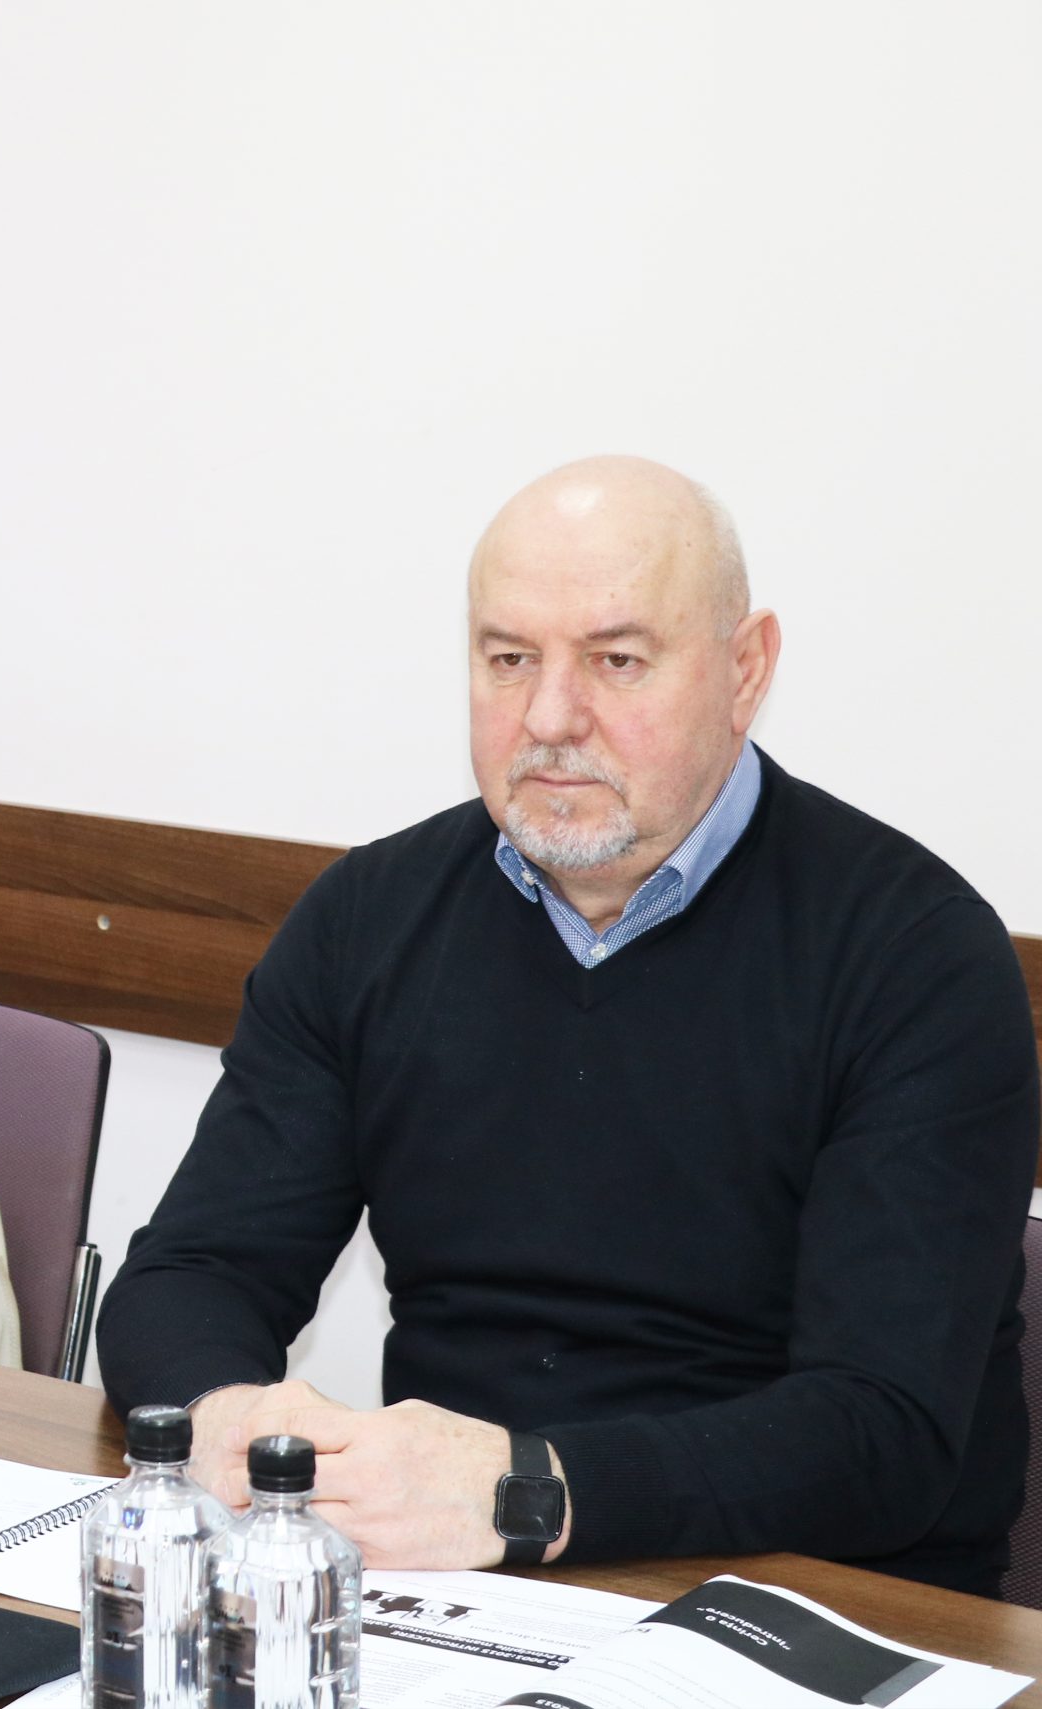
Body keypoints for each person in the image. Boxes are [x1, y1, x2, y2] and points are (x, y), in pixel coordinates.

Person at [96, 455, 1038, 1596]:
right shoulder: (366, 919)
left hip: (812, 1598)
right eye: (508, 659)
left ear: (745, 669)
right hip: (457, 1587)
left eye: (615, 659)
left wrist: (522, 1492)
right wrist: (231, 1420)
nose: (548, 716)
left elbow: (881, 1433)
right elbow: (189, 1273)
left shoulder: (916, 954)